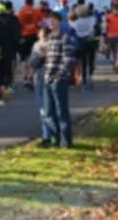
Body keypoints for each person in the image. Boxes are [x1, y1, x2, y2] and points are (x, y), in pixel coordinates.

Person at [43, 11, 77, 148]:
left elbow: (69, 60)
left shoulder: (65, 38)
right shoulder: (49, 38)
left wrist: (59, 76)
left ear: (59, 22)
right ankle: (55, 139)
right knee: (49, 112)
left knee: (61, 111)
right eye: (49, 20)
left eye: (53, 20)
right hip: (47, 78)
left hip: (58, 80)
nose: (51, 23)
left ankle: (65, 141)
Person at [0, 1, 21, 106]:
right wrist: (16, 49)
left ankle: (1, 97)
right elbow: (16, 37)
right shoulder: (12, 22)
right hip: (9, 52)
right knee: (7, 74)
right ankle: (6, 91)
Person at [29, 27, 52, 147]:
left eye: (44, 36)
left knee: (47, 108)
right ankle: (46, 134)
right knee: (42, 108)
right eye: (41, 36)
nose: (43, 39)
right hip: (39, 77)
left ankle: (49, 134)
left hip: (49, 78)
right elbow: (32, 63)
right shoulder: (36, 45)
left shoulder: (52, 45)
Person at [70, 2, 97, 89]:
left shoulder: (76, 22)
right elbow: (95, 26)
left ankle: (84, 78)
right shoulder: (91, 19)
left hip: (81, 42)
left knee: (83, 61)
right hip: (91, 40)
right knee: (91, 59)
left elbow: (71, 26)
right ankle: (91, 74)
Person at [18, 0, 42, 91]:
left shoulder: (21, 11)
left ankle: (25, 77)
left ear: (25, 2)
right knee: (33, 57)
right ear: (32, 2)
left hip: (24, 36)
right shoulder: (36, 11)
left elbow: (19, 24)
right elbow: (41, 23)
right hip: (33, 36)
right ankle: (31, 78)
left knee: (24, 59)